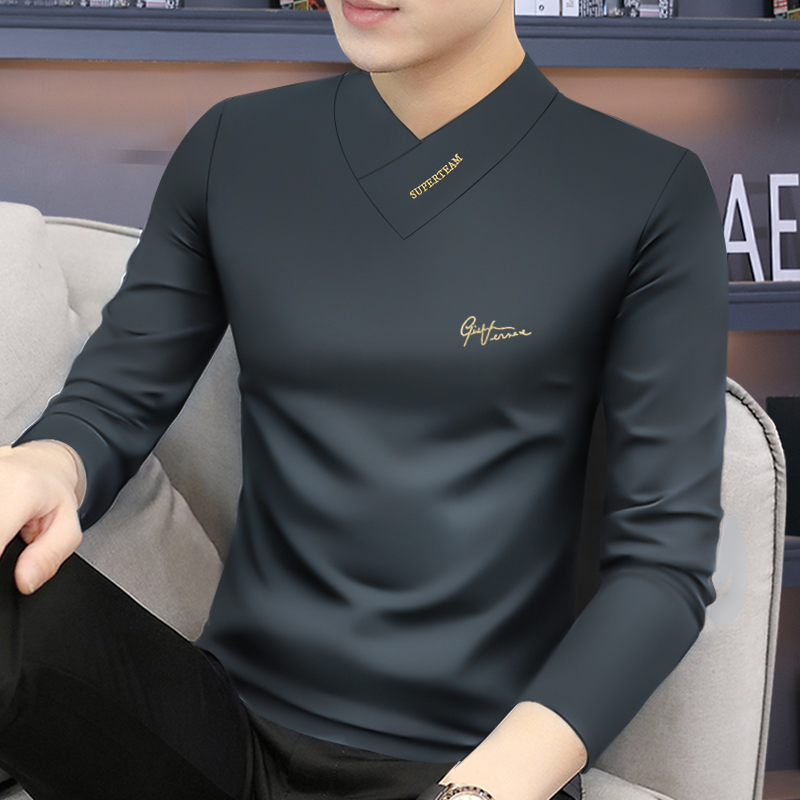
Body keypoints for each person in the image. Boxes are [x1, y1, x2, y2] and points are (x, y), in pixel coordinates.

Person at [0, 0, 729, 798]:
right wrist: (51, 464)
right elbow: (119, 392)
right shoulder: (234, 145)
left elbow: (662, 565)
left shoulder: (644, 189)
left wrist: (489, 787)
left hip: (468, 766)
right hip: (222, 734)